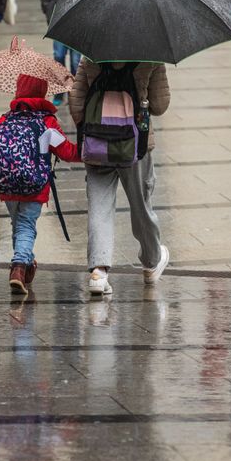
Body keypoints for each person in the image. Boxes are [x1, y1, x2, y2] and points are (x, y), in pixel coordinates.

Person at [69, 61, 171, 296]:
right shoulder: (151, 55)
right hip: (135, 145)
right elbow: (159, 105)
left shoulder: (91, 54)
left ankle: (98, 271)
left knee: (99, 206)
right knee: (141, 204)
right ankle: (151, 261)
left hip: (96, 144)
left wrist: (95, 122)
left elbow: (76, 103)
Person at [0, 74, 80, 293]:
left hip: (7, 187)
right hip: (34, 187)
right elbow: (66, 152)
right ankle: (18, 267)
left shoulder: (5, 119)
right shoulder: (47, 122)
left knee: (19, 226)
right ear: (42, 91)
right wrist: (90, 152)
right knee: (27, 226)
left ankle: (27, 264)